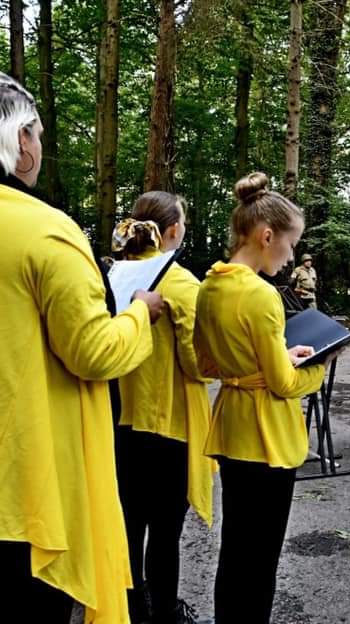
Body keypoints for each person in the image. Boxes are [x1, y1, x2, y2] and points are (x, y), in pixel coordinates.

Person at [0, 69, 162, 623]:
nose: (39, 149)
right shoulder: (44, 229)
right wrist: (141, 313)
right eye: (38, 136)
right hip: (16, 493)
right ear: (20, 140)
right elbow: (94, 352)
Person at [194, 172, 327, 623]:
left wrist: (270, 359)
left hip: (230, 428)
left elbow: (205, 365)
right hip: (267, 436)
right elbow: (284, 385)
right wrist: (320, 366)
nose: (290, 257)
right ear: (267, 235)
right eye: (289, 245)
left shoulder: (210, 284)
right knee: (261, 558)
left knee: (235, 552)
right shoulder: (262, 295)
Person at [113, 192, 216, 624]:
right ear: (172, 231)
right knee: (166, 531)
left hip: (119, 419)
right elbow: (196, 363)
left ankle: (129, 606)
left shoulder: (114, 272)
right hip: (168, 423)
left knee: (128, 523)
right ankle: (166, 610)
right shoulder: (181, 282)